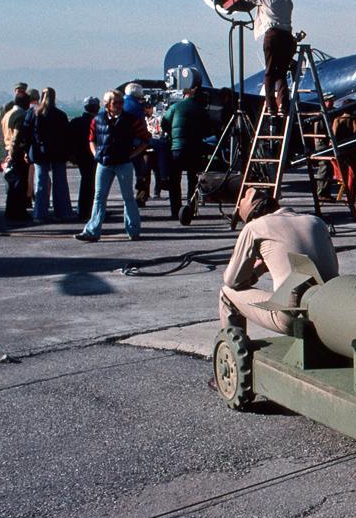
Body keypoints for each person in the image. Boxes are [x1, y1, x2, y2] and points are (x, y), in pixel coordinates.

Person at [220, 188, 338, 336]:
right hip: (330, 309)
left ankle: (231, 352)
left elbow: (232, 281)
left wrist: (258, 270)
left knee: (226, 293)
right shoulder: (316, 221)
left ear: (252, 218)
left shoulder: (254, 227)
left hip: (293, 314)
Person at [76, 89, 150, 242]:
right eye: (115, 103)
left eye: (120, 102)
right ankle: (92, 231)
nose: (118, 105)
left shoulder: (131, 120)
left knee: (128, 197)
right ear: (107, 104)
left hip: (123, 163)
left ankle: (133, 230)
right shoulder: (98, 120)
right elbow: (92, 138)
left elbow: (145, 138)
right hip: (104, 163)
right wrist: (95, 153)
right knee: (99, 197)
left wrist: (132, 154)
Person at [229, 0, 295, 118]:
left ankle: (271, 107)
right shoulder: (286, 1)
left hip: (274, 36)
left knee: (270, 72)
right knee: (282, 74)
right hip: (288, 38)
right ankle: (283, 107)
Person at [160, 77, 212, 220]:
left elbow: (164, 123)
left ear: (186, 94)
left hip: (176, 148)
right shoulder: (201, 110)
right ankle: (192, 209)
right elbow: (208, 129)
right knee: (192, 180)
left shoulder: (176, 107)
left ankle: (175, 210)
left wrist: (173, 134)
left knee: (174, 181)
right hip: (194, 149)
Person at [25, 87, 73, 221]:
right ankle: (63, 212)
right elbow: (66, 135)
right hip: (58, 152)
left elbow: (27, 133)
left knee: (40, 182)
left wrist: (26, 150)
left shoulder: (33, 113)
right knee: (60, 182)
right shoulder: (60, 115)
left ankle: (40, 213)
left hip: (40, 151)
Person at [0, 88, 32, 223]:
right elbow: (17, 136)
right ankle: (18, 210)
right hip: (17, 151)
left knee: (11, 183)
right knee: (19, 183)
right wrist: (14, 154)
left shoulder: (7, 114)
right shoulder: (20, 115)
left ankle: (10, 209)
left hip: (8, 148)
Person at [69, 96, 100, 219]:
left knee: (86, 181)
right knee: (91, 183)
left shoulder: (75, 122)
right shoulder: (98, 122)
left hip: (80, 156)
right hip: (93, 155)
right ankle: (88, 210)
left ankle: (84, 209)